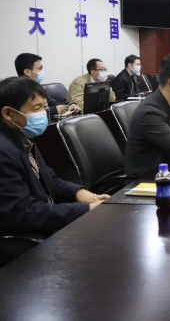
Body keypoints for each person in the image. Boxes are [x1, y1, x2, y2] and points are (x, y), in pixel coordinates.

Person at [0, 77, 108, 240]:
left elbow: (49, 180)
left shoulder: (23, 138)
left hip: (42, 225)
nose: (43, 114)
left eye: (45, 107)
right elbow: (22, 214)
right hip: (24, 241)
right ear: (8, 113)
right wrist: (86, 210)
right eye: (36, 108)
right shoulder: (4, 152)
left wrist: (78, 192)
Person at [14, 53, 81, 117]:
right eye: (39, 68)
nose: (42, 72)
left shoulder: (36, 88)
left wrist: (70, 105)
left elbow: (53, 103)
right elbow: (27, 113)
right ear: (27, 72)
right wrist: (54, 110)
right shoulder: (17, 91)